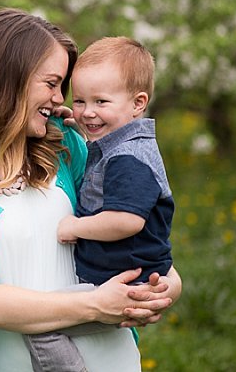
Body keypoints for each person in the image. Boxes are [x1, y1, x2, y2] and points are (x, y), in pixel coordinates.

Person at [0, 9, 181, 372]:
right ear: (8, 80)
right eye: (51, 84)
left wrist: (165, 285)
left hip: (109, 356)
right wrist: (97, 305)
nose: (60, 99)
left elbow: (131, 228)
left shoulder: (64, 144)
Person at [22, 36, 175, 372]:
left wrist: (75, 226)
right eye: (80, 100)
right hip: (122, 277)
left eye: (101, 102)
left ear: (138, 104)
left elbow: (126, 221)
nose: (88, 112)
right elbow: (94, 125)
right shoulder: (123, 140)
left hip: (126, 286)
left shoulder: (128, 158)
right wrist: (72, 120)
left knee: (42, 326)